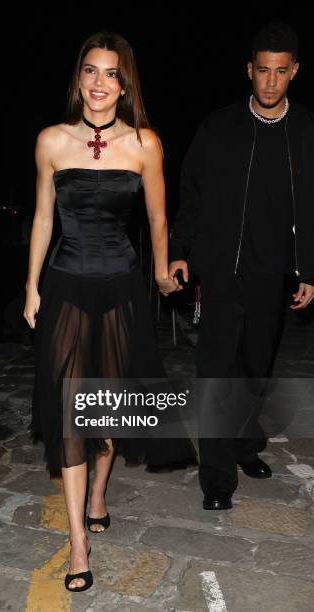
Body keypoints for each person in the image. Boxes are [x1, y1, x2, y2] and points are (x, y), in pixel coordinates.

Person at [24, 31, 196, 592]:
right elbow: (44, 219)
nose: (100, 84)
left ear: (126, 84)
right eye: (91, 72)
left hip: (122, 288)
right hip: (67, 287)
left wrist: (163, 270)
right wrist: (31, 286)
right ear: (79, 78)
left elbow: (157, 221)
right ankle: (78, 541)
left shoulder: (146, 143)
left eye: (112, 74)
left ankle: (100, 489)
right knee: (72, 411)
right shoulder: (51, 140)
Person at [169, 22, 314, 511]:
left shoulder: (307, 130)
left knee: (255, 371)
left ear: (294, 71)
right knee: (215, 373)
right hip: (219, 272)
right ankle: (216, 478)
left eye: (280, 72)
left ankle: (245, 444)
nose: (270, 82)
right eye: (262, 71)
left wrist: (308, 268)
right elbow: (190, 192)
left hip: (272, 276)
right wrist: (181, 249)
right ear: (248, 71)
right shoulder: (219, 127)